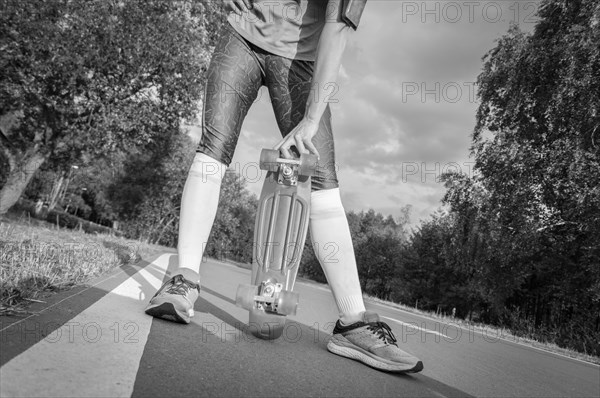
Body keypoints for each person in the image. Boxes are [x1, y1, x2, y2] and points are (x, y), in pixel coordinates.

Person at [145, 0, 423, 373]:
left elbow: (336, 29)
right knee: (213, 148)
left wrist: (311, 118)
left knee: (322, 180)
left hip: (300, 59)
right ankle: (183, 281)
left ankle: (353, 323)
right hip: (241, 35)